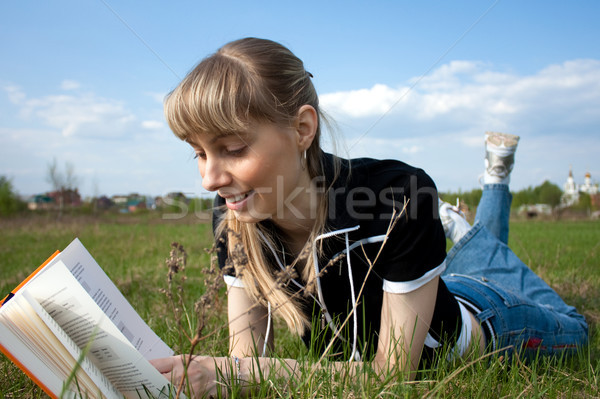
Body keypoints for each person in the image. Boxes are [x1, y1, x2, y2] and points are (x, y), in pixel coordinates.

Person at [151, 37, 588, 396]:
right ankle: (461, 234)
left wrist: (232, 374)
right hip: (421, 289)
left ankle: (488, 190)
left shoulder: (399, 195)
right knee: (484, 258)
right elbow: (245, 364)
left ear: (303, 129)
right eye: (199, 153)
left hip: (488, 319)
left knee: (577, 327)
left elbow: (392, 378)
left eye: (232, 149)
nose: (209, 179)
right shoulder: (234, 215)